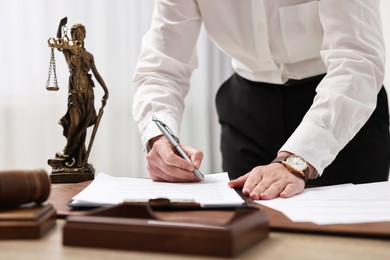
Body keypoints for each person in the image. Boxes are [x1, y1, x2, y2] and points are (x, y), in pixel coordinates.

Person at [132, 0, 390, 200]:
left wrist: (296, 161)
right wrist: (159, 137)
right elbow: (162, 67)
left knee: (346, 242)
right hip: (246, 110)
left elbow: (358, 62)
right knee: (252, 235)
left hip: (343, 110)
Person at [54, 23, 109, 168]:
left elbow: (96, 75)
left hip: (88, 93)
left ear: (84, 36)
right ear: (71, 37)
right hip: (74, 92)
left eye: (79, 34)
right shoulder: (69, 52)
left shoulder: (89, 56)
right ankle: (67, 150)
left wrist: (106, 90)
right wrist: (60, 26)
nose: (77, 36)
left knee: (83, 126)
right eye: (74, 34)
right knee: (75, 122)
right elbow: (59, 41)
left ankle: (79, 158)